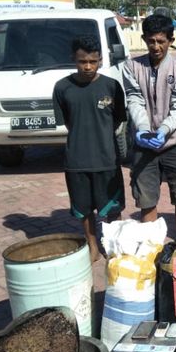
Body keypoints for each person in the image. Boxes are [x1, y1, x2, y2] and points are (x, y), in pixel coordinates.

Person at [53, 35, 127, 261]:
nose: (87, 66)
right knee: (84, 210)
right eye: (82, 61)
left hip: (107, 159)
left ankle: (113, 245)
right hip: (77, 161)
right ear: (73, 60)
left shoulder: (112, 87)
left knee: (113, 209)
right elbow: (66, 121)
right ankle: (92, 245)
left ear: (100, 60)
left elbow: (117, 120)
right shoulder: (62, 88)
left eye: (93, 61)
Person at [123, 13, 176, 237]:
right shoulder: (131, 67)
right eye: (151, 41)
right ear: (144, 39)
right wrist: (144, 129)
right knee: (146, 199)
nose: (156, 47)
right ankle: (150, 247)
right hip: (144, 145)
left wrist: (164, 130)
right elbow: (134, 99)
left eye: (161, 41)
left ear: (171, 41)